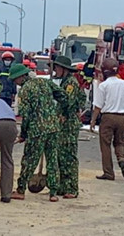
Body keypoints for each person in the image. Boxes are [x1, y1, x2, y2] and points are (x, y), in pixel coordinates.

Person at [9, 64, 68, 202]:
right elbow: (63, 96)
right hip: (53, 127)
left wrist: (23, 134)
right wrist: (60, 112)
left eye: (15, 80)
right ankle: (53, 192)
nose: (14, 83)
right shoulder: (45, 82)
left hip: (37, 130)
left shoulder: (24, 91)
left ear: (21, 77)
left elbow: (26, 116)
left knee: (29, 160)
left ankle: (21, 190)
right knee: (52, 159)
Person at [90, 58, 124, 181]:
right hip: (122, 117)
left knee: (105, 144)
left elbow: (98, 106)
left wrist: (93, 120)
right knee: (120, 142)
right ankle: (121, 159)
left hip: (108, 118)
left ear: (104, 71)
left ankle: (109, 173)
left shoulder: (103, 86)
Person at [53, 56, 86, 199]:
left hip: (69, 125)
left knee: (69, 156)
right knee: (60, 155)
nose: (55, 70)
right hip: (63, 124)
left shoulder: (71, 83)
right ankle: (62, 186)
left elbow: (68, 101)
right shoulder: (65, 82)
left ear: (64, 69)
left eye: (57, 68)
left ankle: (72, 188)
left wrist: (63, 115)